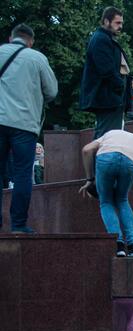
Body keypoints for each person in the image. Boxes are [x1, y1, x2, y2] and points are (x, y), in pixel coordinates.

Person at [0, 23, 58, 233]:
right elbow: (52, 91)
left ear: (10, 38)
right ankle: (18, 225)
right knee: (23, 173)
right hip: (24, 125)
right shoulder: (37, 58)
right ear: (30, 42)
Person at [78, 130, 133, 257]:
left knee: (106, 201)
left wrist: (90, 179)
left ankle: (117, 245)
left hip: (106, 156)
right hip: (132, 160)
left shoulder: (109, 135)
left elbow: (86, 150)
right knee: (122, 199)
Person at [80, 6, 129, 139]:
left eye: (121, 23)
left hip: (110, 98)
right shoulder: (101, 39)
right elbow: (106, 70)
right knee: (107, 138)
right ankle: (99, 160)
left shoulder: (104, 38)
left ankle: (99, 159)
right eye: (117, 23)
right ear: (106, 21)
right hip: (108, 99)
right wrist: (119, 86)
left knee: (107, 137)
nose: (120, 26)